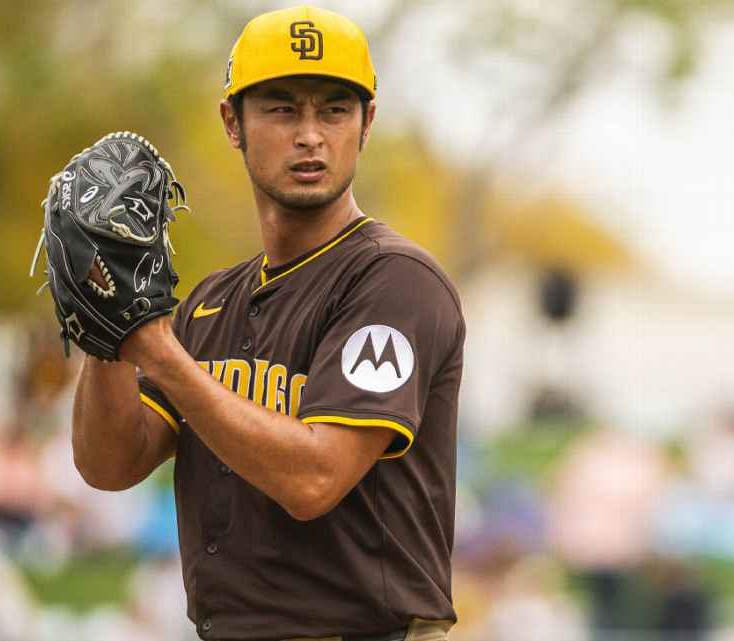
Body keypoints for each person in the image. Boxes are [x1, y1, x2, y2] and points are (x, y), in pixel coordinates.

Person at [69, 6, 465, 641]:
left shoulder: (395, 282)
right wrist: (105, 329)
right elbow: (110, 464)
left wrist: (164, 355)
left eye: (334, 109)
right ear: (234, 122)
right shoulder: (211, 301)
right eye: (282, 108)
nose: (311, 134)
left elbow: (315, 478)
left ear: (367, 124)